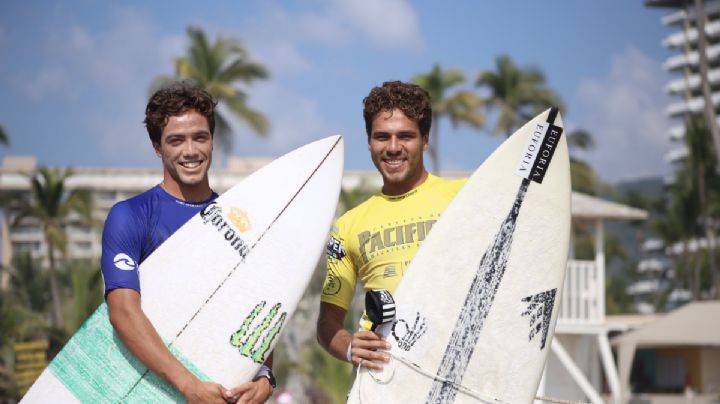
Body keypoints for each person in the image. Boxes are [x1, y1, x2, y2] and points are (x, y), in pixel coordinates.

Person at [101, 82, 274, 404]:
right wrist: (188, 385)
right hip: (151, 391)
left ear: (212, 140)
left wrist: (265, 377)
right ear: (157, 147)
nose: (191, 151)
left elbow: (259, 313)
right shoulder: (131, 216)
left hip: (222, 393)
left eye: (200, 137)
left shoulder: (241, 225)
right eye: (176, 140)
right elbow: (123, 313)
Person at [316, 80, 465, 370]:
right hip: (387, 379)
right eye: (382, 136)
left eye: (405, 136)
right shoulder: (348, 226)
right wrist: (348, 346)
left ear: (425, 139)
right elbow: (327, 322)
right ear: (369, 141)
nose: (393, 148)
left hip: (456, 369)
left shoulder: (463, 198)